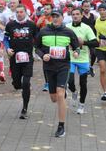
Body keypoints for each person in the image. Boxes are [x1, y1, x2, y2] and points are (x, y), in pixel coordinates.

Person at [35, 8, 80, 137]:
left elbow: (76, 46)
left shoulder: (68, 32)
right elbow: (36, 47)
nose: (55, 18)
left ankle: (61, 126)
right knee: (54, 98)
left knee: (60, 95)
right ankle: (62, 93)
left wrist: (76, 52)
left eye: (57, 16)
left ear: (62, 18)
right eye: (53, 16)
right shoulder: (43, 31)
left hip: (63, 66)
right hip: (49, 67)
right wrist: (42, 55)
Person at [4, 4, 37, 119]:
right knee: (17, 84)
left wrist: (39, 49)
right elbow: (6, 38)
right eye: (17, 12)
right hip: (14, 58)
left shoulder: (32, 25)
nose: (19, 14)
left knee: (26, 83)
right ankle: (17, 83)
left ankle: (24, 108)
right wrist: (7, 48)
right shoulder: (10, 25)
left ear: (25, 12)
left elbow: (37, 38)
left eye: (21, 12)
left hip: (28, 57)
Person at [66, 8, 99, 114]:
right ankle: (74, 92)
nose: (75, 16)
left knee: (83, 83)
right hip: (70, 58)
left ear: (81, 16)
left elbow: (96, 43)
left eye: (77, 14)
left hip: (83, 59)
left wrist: (83, 42)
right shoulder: (67, 27)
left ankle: (81, 104)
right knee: (69, 80)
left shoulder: (86, 28)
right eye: (73, 14)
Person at [36, 3, 53, 91]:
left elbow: (55, 27)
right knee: (45, 62)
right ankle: (47, 83)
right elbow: (37, 27)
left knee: (54, 62)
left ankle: (54, 81)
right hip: (44, 43)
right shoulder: (41, 17)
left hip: (54, 43)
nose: (46, 10)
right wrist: (38, 23)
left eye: (48, 9)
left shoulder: (54, 17)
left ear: (51, 10)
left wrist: (49, 24)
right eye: (45, 9)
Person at [81, 0, 97, 77]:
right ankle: (85, 69)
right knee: (84, 54)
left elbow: (97, 26)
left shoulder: (93, 16)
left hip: (92, 38)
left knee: (93, 54)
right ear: (82, 7)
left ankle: (90, 66)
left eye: (88, 6)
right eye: (85, 6)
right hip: (82, 38)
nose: (87, 8)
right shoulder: (80, 16)